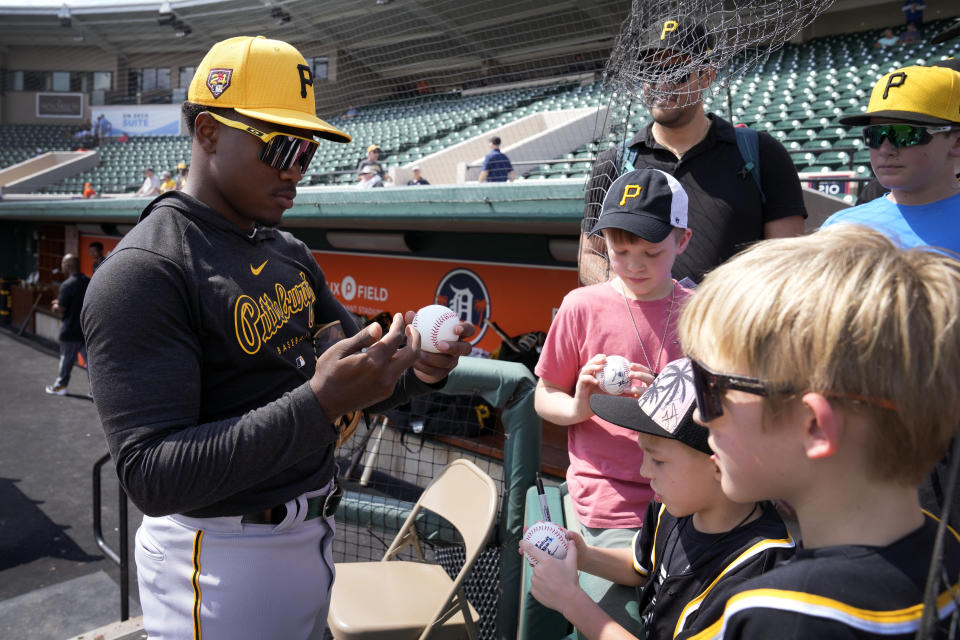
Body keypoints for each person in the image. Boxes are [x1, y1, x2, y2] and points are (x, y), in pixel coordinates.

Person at [80, 35, 474, 640]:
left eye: (308, 150)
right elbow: (152, 475)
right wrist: (319, 402)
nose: (296, 167)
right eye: (280, 145)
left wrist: (420, 370)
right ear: (208, 132)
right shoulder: (145, 270)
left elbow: (356, 383)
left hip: (311, 535)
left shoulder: (285, 249)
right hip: (215, 559)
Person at [676, 225, 960, 639]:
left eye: (710, 387)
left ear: (814, 426)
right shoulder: (948, 548)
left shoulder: (763, 617)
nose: (701, 417)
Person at [523, 357, 795, 640]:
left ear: (720, 462)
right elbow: (641, 567)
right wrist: (584, 556)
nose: (644, 471)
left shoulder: (758, 573)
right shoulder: (675, 505)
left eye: (658, 460)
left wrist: (571, 602)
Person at [534, 168, 696, 636]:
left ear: (682, 241)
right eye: (620, 251)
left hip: (687, 501)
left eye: (651, 251)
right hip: (610, 503)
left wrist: (665, 405)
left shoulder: (701, 311)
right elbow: (546, 395)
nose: (633, 264)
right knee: (622, 619)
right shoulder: (581, 305)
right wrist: (579, 406)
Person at [581, 20, 806, 286]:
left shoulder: (762, 153)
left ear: (707, 76)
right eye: (650, 72)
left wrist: (709, 310)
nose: (661, 84)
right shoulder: (614, 163)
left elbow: (789, 262)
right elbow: (590, 255)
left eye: (676, 72)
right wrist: (642, 303)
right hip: (640, 326)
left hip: (728, 323)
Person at [821, 65, 960, 254]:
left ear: (956, 142)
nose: (885, 149)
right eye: (875, 135)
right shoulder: (840, 228)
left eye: (904, 134)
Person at [45, 254, 90, 396]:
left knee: (66, 360)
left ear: (68, 265)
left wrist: (55, 305)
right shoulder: (89, 281)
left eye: (62, 263)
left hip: (70, 330)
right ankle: (96, 391)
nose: (61, 266)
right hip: (86, 329)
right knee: (91, 363)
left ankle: (60, 386)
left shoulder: (67, 285)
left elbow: (62, 308)